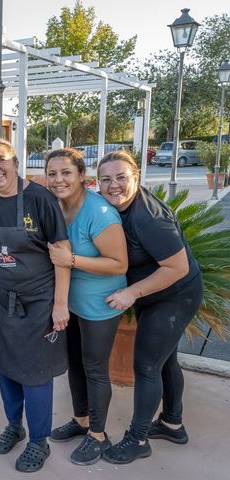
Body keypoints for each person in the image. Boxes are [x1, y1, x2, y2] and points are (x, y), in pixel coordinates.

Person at [95, 150, 203, 465]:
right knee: (164, 360)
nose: (113, 185)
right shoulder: (112, 204)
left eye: (121, 178)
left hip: (175, 294)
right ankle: (172, 424)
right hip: (153, 294)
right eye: (106, 179)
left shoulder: (149, 217)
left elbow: (177, 267)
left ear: (136, 178)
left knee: (146, 365)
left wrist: (131, 293)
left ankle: (138, 439)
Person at [0, 139, 70, 473]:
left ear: (15, 162)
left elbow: (61, 252)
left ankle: (38, 441)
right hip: (1, 299)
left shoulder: (40, 198)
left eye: (1, 160)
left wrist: (60, 304)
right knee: (6, 368)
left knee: (36, 373)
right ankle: (14, 425)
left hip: (38, 302)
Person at [44, 148, 128, 465]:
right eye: (52, 173)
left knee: (94, 368)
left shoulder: (99, 213)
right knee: (75, 364)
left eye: (66, 172)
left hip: (99, 304)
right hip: (72, 302)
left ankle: (98, 435)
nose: (58, 179)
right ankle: (81, 420)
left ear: (82, 176)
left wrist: (73, 260)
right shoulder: (57, 205)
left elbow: (119, 264)